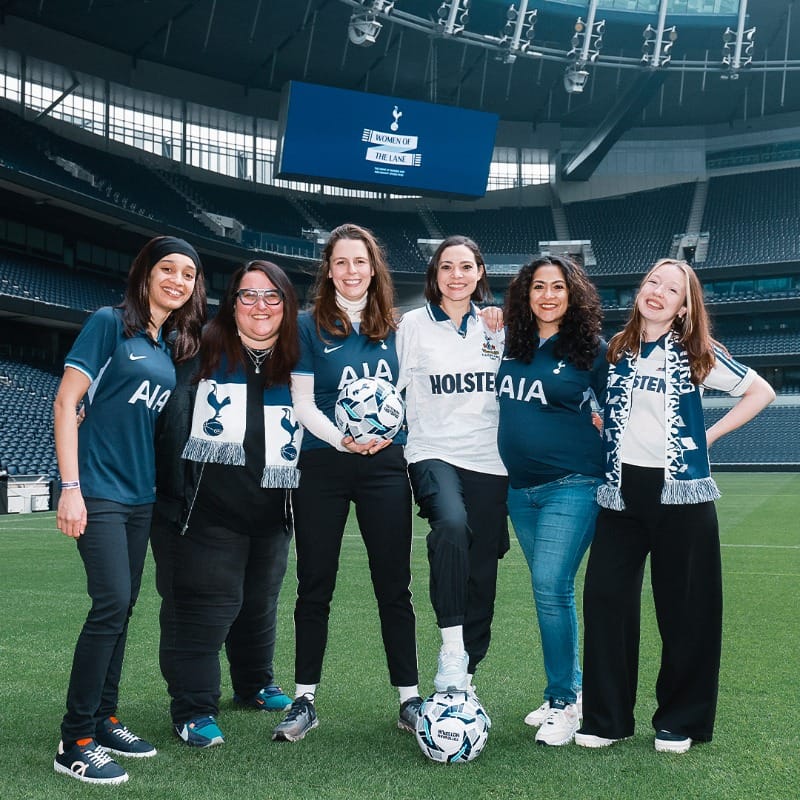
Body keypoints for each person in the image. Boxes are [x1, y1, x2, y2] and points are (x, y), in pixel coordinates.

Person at [575, 258, 775, 754]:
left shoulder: (696, 353)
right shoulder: (616, 350)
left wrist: (708, 437)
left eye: (672, 289)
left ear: (685, 306)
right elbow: (599, 402)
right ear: (640, 291)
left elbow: (761, 391)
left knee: (686, 609)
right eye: (652, 283)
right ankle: (607, 719)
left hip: (682, 495)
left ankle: (679, 720)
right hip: (621, 494)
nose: (658, 292)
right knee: (605, 601)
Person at [53, 236, 205, 785]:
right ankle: (75, 739)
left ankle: (104, 716)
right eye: (168, 269)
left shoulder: (165, 347)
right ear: (145, 273)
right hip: (97, 490)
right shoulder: (108, 323)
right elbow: (67, 401)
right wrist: (70, 487)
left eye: (188, 274)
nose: (178, 280)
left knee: (124, 608)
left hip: (141, 497)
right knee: (110, 604)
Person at [271, 223, 420, 743]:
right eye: (341, 262)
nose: (351, 271)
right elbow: (303, 402)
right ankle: (305, 698)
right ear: (328, 269)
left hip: (384, 465)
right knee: (315, 584)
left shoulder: (399, 329)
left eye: (361, 262)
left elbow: (408, 400)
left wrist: (390, 433)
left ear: (373, 268)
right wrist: (343, 440)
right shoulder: (308, 325)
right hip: (323, 463)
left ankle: (409, 699)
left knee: (393, 585)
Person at [149, 260, 301, 748]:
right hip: (202, 510)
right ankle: (193, 707)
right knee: (203, 607)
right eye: (248, 295)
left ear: (287, 304)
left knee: (259, 604)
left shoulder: (299, 358)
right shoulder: (195, 349)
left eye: (271, 296)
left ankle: (254, 682)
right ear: (231, 302)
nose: (261, 305)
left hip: (272, 512)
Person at [496, 255, 607, 746]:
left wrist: (605, 422)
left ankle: (567, 700)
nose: (547, 295)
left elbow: (619, 405)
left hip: (574, 483)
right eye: (538, 286)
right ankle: (559, 691)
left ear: (572, 294)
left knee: (549, 583)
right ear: (526, 294)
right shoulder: (507, 343)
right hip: (519, 490)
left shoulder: (591, 350)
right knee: (551, 592)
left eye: (557, 287)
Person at [396, 235, 508, 700]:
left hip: (491, 460)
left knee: (482, 567)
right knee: (451, 525)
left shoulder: (498, 327)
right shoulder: (412, 325)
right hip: (431, 451)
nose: (456, 275)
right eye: (447, 267)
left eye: (466, 267)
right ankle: (451, 650)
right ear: (435, 275)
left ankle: (467, 677)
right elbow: (391, 390)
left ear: (480, 273)